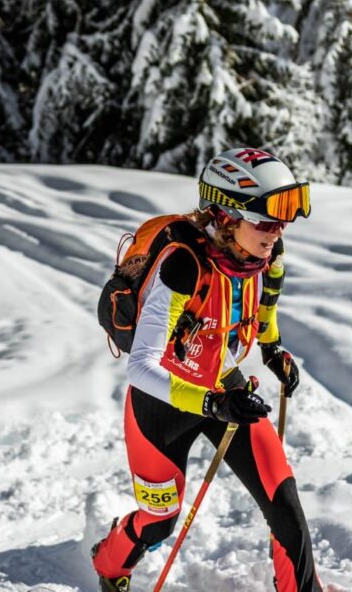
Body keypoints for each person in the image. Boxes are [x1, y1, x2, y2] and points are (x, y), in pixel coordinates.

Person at [91, 148, 323, 592]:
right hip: (162, 406)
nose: (278, 232)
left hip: (225, 390)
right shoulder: (182, 265)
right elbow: (140, 366)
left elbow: (265, 306)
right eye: (267, 221)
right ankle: (108, 563)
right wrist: (212, 403)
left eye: (283, 222)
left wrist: (272, 350)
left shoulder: (264, 255)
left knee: (285, 506)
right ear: (229, 217)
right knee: (158, 522)